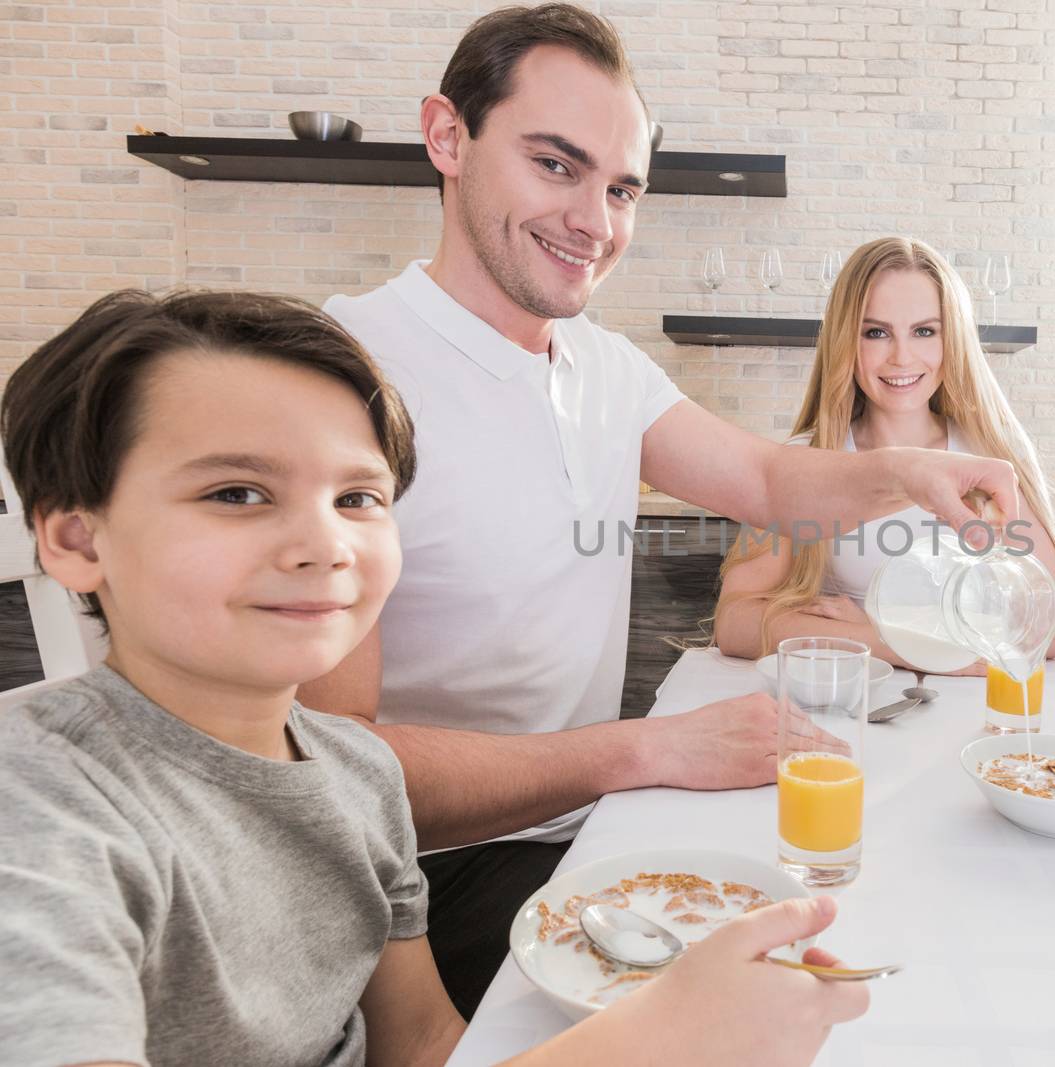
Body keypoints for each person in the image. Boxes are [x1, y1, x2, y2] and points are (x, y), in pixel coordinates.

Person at [304, 4, 1016, 1015]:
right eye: (556, 165)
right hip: (426, 882)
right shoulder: (347, 374)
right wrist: (644, 747)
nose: (595, 221)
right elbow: (335, 771)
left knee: (895, 926)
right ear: (447, 137)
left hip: (590, 827)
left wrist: (913, 475)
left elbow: (771, 482)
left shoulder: (604, 366)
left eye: (622, 187)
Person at [0, 288, 867, 1067]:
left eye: (358, 498)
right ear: (76, 540)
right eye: (236, 493)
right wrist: (649, 1044)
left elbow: (421, 1045)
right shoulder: (37, 806)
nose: (324, 546)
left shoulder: (356, 775)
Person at [713, 237, 1055, 668]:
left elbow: (1044, 631)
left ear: (952, 340)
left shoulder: (991, 459)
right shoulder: (807, 459)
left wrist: (870, 629)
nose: (902, 357)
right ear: (846, 340)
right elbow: (734, 623)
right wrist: (894, 642)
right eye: (876, 332)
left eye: (924, 331)